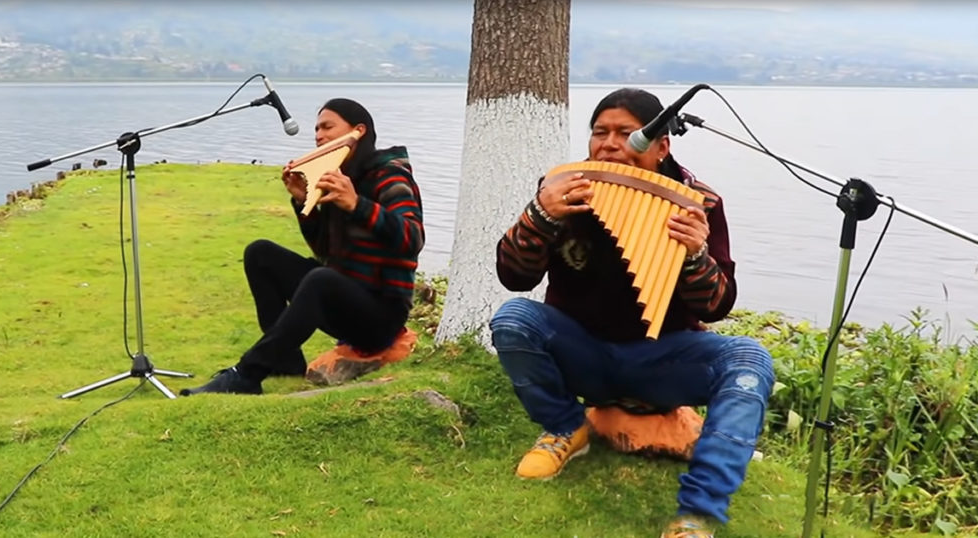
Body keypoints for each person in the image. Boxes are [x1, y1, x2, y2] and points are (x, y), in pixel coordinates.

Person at [488, 88, 774, 538]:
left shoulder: (699, 203)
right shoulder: (561, 189)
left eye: (626, 133)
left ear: (661, 146)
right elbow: (513, 276)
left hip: (662, 360)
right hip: (581, 354)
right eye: (599, 132)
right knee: (513, 318)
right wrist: (539, 215)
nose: (609, 144)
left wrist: (695, 256)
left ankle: (698, 512)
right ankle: (565, 428)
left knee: (750, 358)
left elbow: (717, 306)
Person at [182, 98, 424, 396]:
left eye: (327, 127)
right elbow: (324, 251)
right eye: (316, 130)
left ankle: (247, 375)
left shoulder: (390, 175)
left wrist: (356, 204)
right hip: (345, 301)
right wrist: (302, 201)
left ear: (358, 131)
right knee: (260, 253)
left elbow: (413, 239)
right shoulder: (338, 175)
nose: (319, 136)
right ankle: (285, 362)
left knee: (321, 279)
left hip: (381, 317)